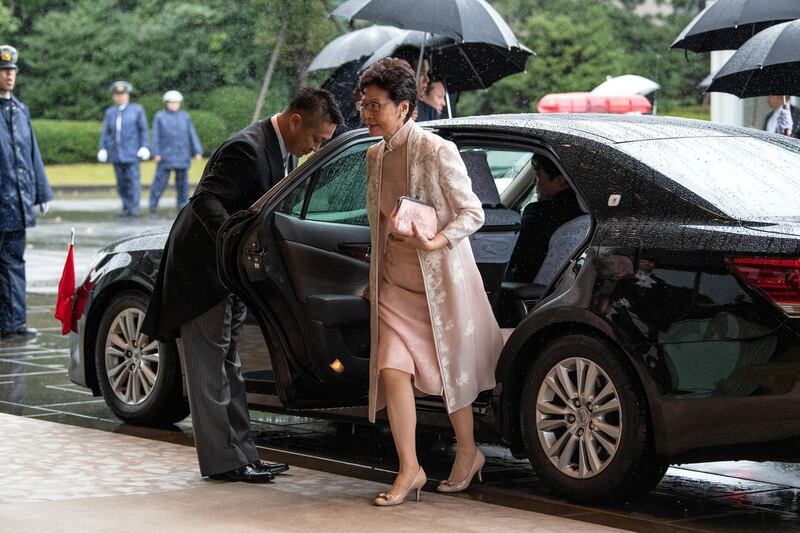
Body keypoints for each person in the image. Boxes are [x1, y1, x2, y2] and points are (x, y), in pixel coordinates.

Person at [141, 88, 343, 483]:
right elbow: (206, 200)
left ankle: (243, 455)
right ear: (296, 120)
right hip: (203, 274)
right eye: (317, 140)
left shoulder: (276, 146)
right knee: (209, 370)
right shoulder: (247, 149)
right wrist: (234, 246)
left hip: (227, 274)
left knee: (228, 365)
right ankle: (223, 462)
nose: (315, 149)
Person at [358, 58, 503, 506]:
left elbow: (472, 213)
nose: (366, 113)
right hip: (393, 287)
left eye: (376, 105)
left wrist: (435, 239)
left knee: (451, 370)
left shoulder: (437, 150)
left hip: (439, 284)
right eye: (363, 104)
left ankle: (468, 451)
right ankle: (410, 469)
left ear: (404, 107)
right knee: (391, 370)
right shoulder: (372, 155)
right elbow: (378, 221)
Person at [0, 45, 53, 339]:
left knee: (14, 265)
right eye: (4, 71)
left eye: (11, 71)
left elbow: (31, 154)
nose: (9, 76)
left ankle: (14, 322)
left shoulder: (20, 110)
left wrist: (41, 192)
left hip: (15, 205)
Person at [506, 156, 583, 283]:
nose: (535, 183)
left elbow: (512, 261)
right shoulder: (587, 215)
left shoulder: (538, 214)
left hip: (524, 294)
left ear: (561, 182)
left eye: (538, 175)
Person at [98, 81, 149, 217]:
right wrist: (102, 148)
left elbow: (143, 129)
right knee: (121, 183)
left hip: (132, 153)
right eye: (117, 95)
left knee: (133, 181)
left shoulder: (136, 110)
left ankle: (134, 208)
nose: (120, 97)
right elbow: (106, 132)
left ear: (127, 95)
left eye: (123, 94)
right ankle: (126, 207)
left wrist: (144, 146)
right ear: (114, 96)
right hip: (116, 154)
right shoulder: (110, 112)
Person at [148, 90, 203, 216]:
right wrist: (155, 152)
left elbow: (191, 134)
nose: (174, 105)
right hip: (165, 157)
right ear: (166, 103)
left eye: (176, 102)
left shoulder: (185, 116)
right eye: (171, 102)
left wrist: (197, 150)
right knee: (159, 183)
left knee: (182, 186)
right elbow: (155, 135)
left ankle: (182, 209)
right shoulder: (160, 116)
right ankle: (152, 207)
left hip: (182, 156)